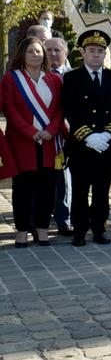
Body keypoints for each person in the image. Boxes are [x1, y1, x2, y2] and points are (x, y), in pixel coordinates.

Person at [62, 30, 111, 246]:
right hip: (82, 145)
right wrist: (87, 136)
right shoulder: (71, 78)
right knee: (80, 189)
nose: (96, 55)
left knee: (102, 189)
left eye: (100, 51)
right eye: (91, 51)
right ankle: (80, 230)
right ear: (83, 53)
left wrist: (108, 134)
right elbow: (69, 110)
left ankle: (100, 228)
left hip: (106, 144)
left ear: (104, 53)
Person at [1, 37, 65, 247]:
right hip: (22, 141)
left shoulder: (54, 79)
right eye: (31, 51)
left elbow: (60, 109)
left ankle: (43, 229)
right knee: (23, 188)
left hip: (48, 141)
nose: (36, 55)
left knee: (47, 187)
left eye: (39, 51)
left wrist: (51, 130)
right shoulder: (12, 78)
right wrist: (31, 132)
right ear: (22, 54)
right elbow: (9, 109)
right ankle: (21, 231)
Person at [44, 37, 72, 234]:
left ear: (66, 53)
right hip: (44, 135)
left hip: (70, 136)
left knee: (66, 179)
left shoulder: (74, 76)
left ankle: (64, 219)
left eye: (57, 50)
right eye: (49, 50)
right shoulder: (37, 76)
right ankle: (37, 221)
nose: (53, 54)